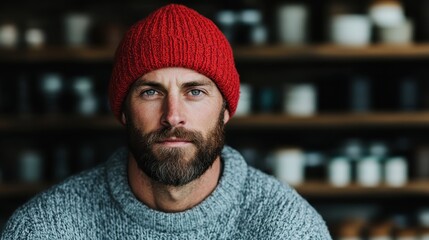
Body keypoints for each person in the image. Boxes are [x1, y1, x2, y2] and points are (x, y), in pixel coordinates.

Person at [1, 4, 332, 239]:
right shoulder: (45, 229)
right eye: (150, 92)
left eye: (195, 92)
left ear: (226, 109)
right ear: (123, 111)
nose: (173, 115)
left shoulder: (288, 228)